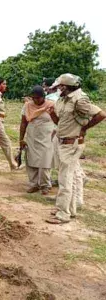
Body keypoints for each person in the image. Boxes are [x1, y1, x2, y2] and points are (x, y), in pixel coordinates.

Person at [46, 74, 106, 224]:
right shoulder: (63, 99)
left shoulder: (80, 99)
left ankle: (63, 214)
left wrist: (84, 129)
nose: (58, 88)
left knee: (65, 179)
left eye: (60, 86)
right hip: (62, 141)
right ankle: (69, 209)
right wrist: (52, 115)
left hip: (71, 144)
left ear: (66, 86)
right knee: (67, 177)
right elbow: (61, 121)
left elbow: (101, 114)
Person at [19, 86, 55, 195]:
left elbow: (58, 121)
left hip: (47, 137)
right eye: (33, 98)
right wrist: (21, 138)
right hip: (32, 136)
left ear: (43, 97)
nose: (35, 100)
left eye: (38, 98)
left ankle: (45, 185)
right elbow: (24, 123)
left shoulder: (51, 105)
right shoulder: (27, 105)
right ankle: (34, 184)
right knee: (31, 161)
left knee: (45, 161)